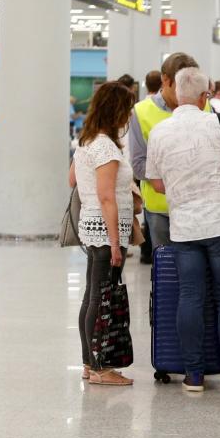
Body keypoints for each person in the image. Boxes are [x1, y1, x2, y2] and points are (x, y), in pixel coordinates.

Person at [145, 66, 220, 393]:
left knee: (189, 296)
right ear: (206, 95)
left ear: (176, 93)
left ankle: (193, 375)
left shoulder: (161, 131)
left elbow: (157, 182)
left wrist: (184, 192)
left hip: (185, 226)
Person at [70, 81, 137, 387]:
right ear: (117, 110)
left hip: (91, 226)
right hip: (105, 231)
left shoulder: (86, 141)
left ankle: (89, 362)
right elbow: (107, 196)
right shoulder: (106, 147)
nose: (130, 115)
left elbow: (72, 179)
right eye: (128, 108)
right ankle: (99, 367)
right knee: (101, 296)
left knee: (92, 294)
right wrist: (115, 242)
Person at [128, 52, 199, 248]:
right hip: (161, 208)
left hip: (198, 207)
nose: (188, 91)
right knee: (167, 270)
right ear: (165, 80)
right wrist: (178, 179)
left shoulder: (204, 106)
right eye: (182, 85)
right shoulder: (141, 112)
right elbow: (138, 165)